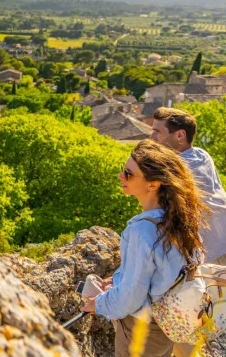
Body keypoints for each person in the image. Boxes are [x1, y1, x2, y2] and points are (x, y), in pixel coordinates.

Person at [81, 139, 208, 357]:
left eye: (129, 174)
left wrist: (96, 304)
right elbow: (164, 273)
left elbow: (130, 299)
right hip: (166, 325)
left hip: (141, 329)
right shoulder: (178, 220)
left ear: (153, 184)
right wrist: (118, 279)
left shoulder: (141, 230)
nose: (121, 177)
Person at [150, 107, 226, 265]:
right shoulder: (201, 155)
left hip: (213, 256)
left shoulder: (180, 167)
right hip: (218, 245)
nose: (152, 137)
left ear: (180, 135)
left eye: (157, 132)